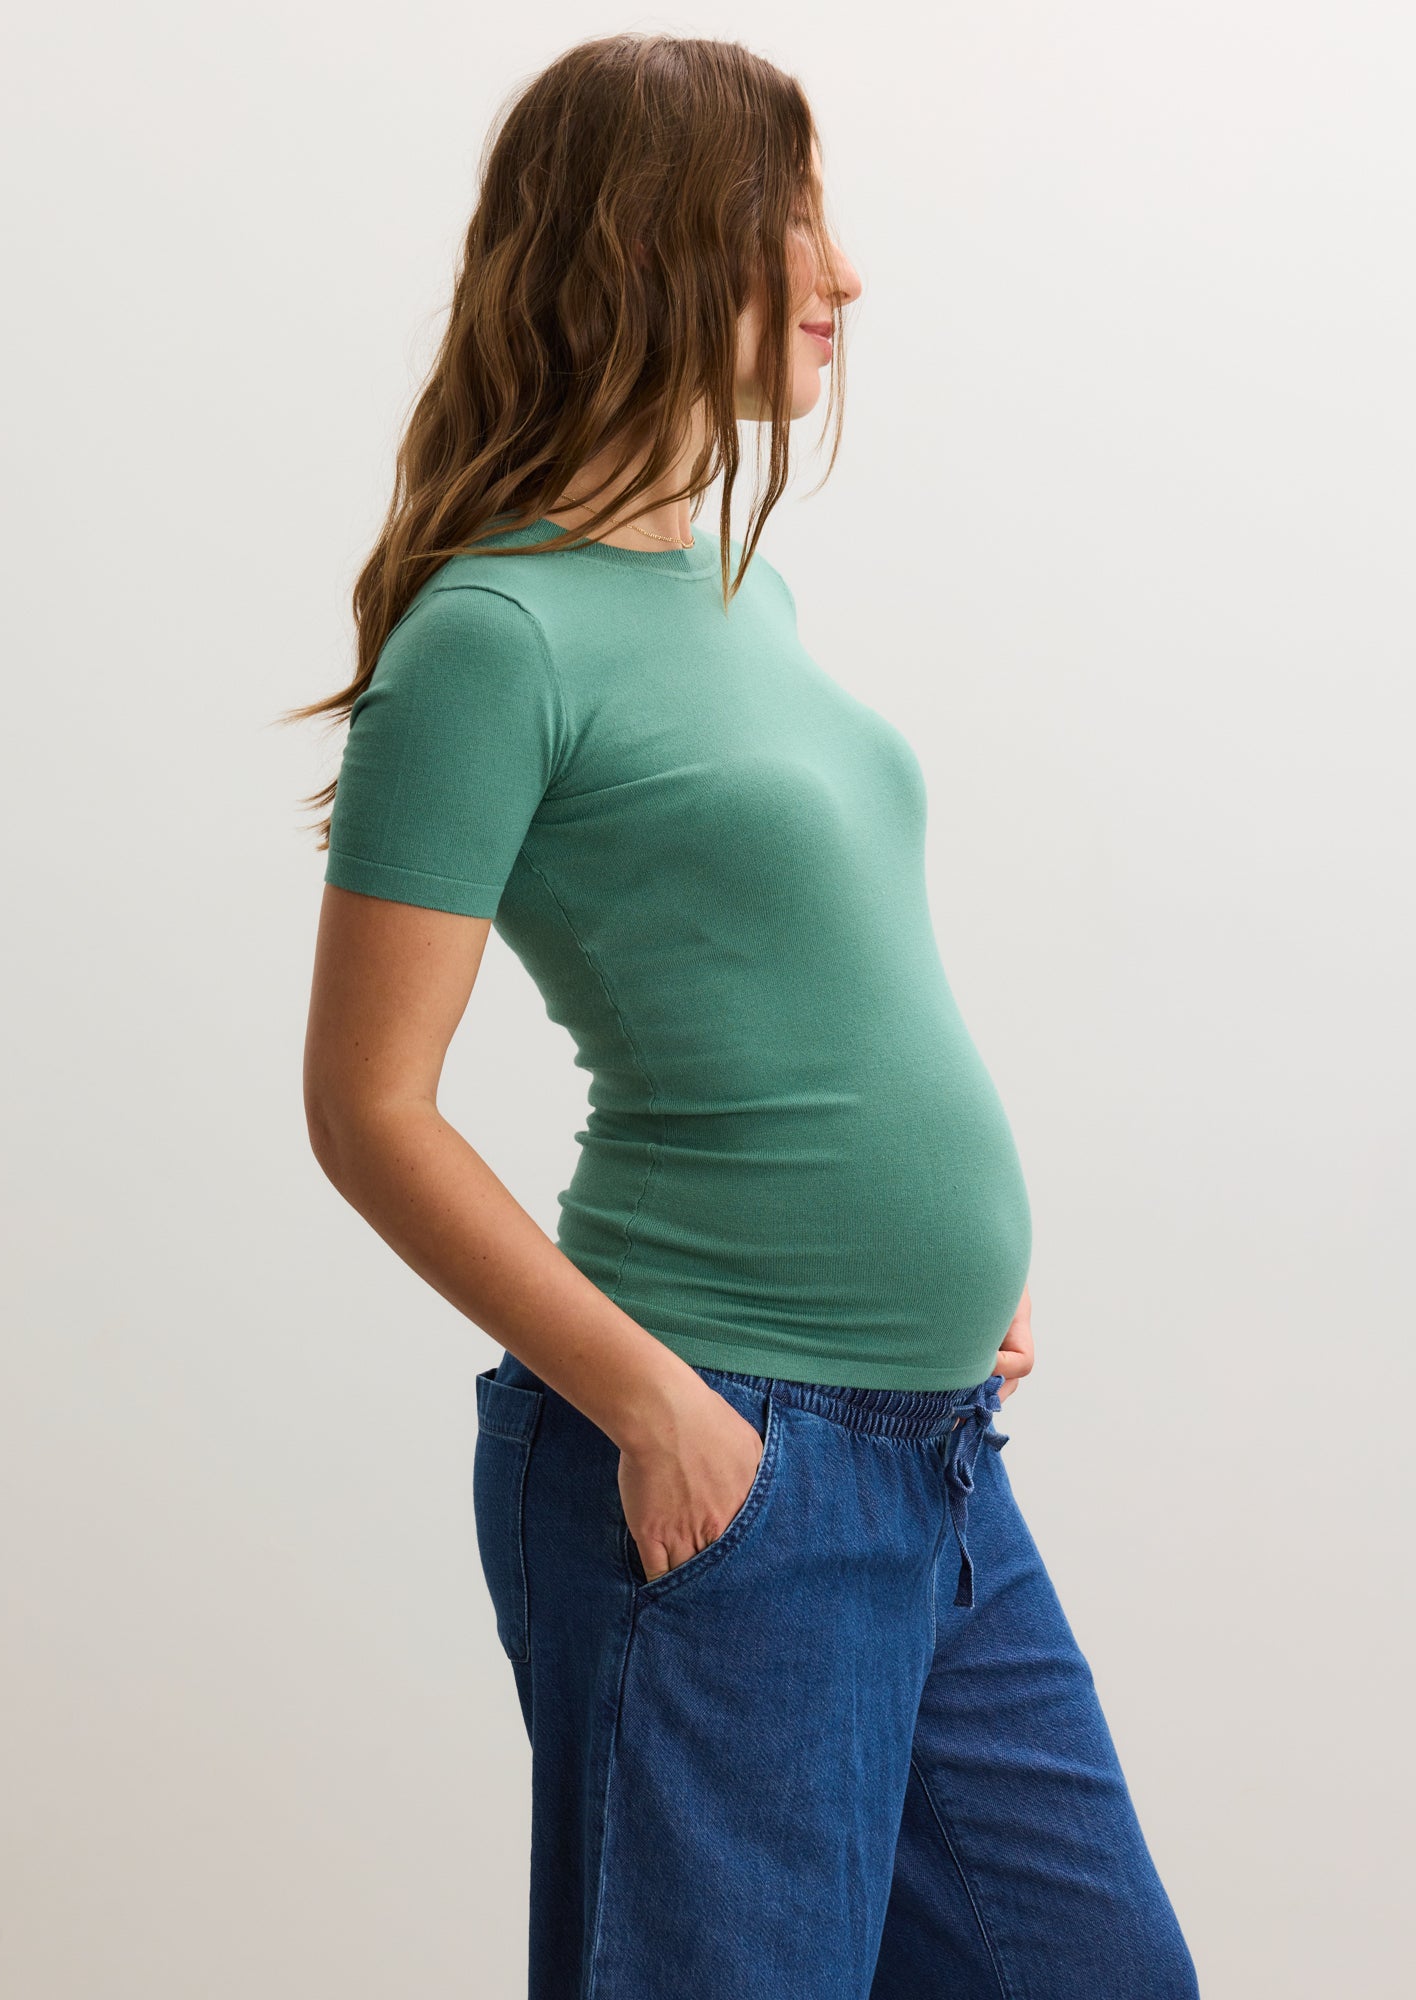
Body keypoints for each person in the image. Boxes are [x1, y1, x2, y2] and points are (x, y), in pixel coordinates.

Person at [289, 31, 1200, 2000]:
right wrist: (655, 1408)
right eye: (794, 222)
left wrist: (959, 1265)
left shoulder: (734, 595)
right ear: (650, 248)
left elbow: (812, 979)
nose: (845, 274)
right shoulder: (491, 640)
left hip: (936, 1457)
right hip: (726, 1459)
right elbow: (369, 1108)